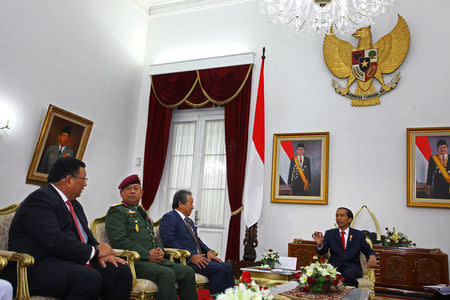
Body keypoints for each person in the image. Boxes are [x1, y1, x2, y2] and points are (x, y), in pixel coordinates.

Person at [5, 158, 132, 299]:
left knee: (120, 270)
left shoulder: (75, 205)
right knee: (88, 278)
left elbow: (86, 237)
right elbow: (54, 241)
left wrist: (103, 253)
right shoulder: (40, 199)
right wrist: (95, 252)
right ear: (69, 179)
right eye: (83, 179)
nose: (85, 184)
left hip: (66, 261)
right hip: (34, 266)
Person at [105, 175, 197, 300]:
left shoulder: (142, 212)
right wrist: (147, 254)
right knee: (167, 274)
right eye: (128, 188)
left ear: (141, 192)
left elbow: (152, 238)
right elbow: (119, 241)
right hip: (134, 261)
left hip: (154, 260)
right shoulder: (116, 212)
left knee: (187, 272)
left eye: (136, 188)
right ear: (121, 193)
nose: (132, 191)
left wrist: (160, 251)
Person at [159, 190, 234, 295]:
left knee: (227, 267)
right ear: (180, 204)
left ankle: (230, 297)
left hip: (197, 258)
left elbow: (197, 240)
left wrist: (208, 251)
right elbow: (168, 242)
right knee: (218, 269)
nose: (193, 207)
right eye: (191, 203)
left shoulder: (188, 221)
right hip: (183, 261)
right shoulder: (170, 217)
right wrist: (191, 256)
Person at [312, 207, 377, 287]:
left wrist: (372, 256)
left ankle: (351, 295)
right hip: (334, 268)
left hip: (352, 268)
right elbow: (322, 252)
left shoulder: (358, 235)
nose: (338, 218)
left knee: (347, 274)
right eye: (337, 216)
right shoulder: (330, 233)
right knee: (319, 275)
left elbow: (368, 250)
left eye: (342, 215)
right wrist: (320, 244)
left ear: (350, 219)